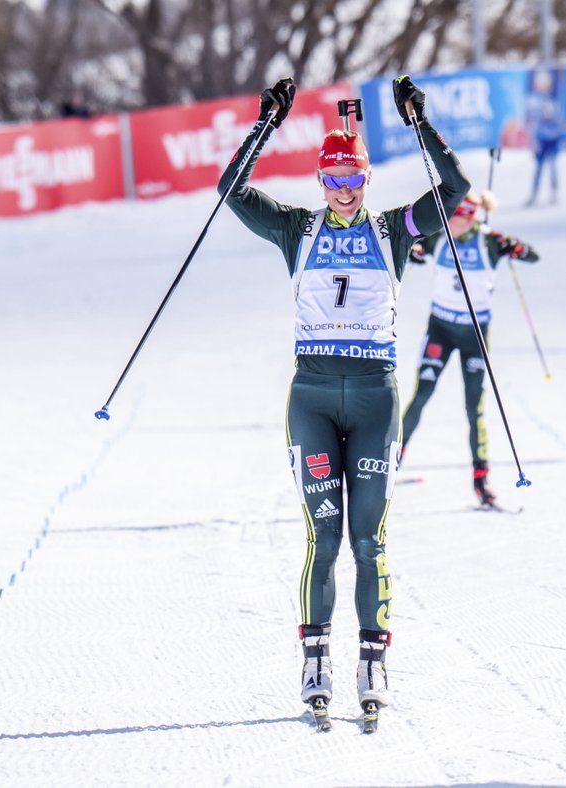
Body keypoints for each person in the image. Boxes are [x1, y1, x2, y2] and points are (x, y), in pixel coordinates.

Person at [217, 75, 470, 725]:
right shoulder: (295, 230)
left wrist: (419, 124)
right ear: (321, 182)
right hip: (313, 399)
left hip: (376, 399)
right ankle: (315, 661)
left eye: (354, 181)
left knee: (369, 541)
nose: (345, 193)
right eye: (334, 182)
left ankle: (373, 661)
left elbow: (455, 193)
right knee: (323, 539)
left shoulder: (395, 231)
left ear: (366, 180)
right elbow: (231, 192)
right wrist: (265, 124)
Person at [401, 191, 539, 508]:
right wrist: (415, 252)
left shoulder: (490, 241)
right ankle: (391, 463)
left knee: (473, 407)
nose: (447, 222)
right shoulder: (441, 236)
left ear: (468, 217)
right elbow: (414, 248)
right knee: (420, 396)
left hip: (475, 334)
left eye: (453, 217)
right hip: (440, 329)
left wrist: (517, 248)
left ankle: (481, 480)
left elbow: (532, 255)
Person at [525, 102, 566, 206]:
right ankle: (534, 193)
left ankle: (554, 193)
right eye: (544, 112)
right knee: (538, 170)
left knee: (553, 167)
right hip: (543, 147)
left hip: (553, 147)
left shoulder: (558, 122)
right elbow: (534, 138)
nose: (546, 115)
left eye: (548, 112)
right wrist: (535, 149)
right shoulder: (538, 123)